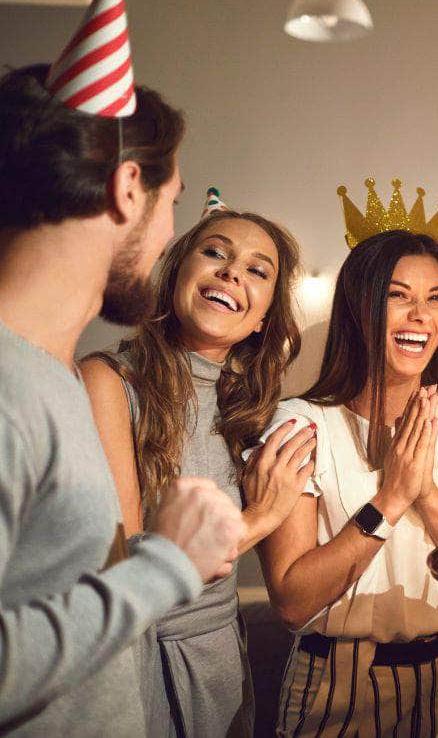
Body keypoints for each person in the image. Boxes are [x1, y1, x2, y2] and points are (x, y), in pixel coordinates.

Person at [0, 52, 243, 738]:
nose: (169, 235)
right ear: (128, 188)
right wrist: (167, 565)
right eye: (173, 204)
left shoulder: (55, 376)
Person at [256, 179, 438, 736]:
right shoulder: (303, 425)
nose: (419, 315)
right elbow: (290, 599)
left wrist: (424, 492)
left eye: (435, 298)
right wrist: (389, 500)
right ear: (359, 308)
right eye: (398, 295)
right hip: (336, 683)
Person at [79, 189, 314, 737]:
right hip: (139, 664)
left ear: (263, 319)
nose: (233, 273)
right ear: (177, 272)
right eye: (215, 253)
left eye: (258, 270)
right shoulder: (108, 381)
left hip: (222, 663)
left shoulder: (253, 409)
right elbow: (125, 567)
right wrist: (262, 518)